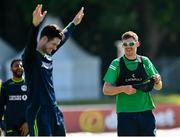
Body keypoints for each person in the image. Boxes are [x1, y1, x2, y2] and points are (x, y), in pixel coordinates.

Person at [22, 4, 84, 136]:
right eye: (53, 44)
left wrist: (74, 23)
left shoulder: (48, 54)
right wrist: (35, 26)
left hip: (54, 110)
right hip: (38, 111)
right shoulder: (31, 57)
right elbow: (30, 43)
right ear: (44, 39)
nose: (55, 48)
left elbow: (63, 38)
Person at [103, 31, 162, 136]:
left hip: (146, 112)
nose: (128, 47)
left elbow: (158, 86)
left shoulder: (145, 61)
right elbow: (106, 90)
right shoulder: (116, 64)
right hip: (125, 114)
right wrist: (123, 89)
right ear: (122, 46)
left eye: (131, 44)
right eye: (125, 44)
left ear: (138, 44)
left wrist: (157, 80)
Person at [0, 59, 28, 136]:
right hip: (10, 125)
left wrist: (28, 122)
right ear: (11, 69)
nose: (19, 67)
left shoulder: (29, 84)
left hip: (26, 125)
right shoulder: (6, 85)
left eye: (21, 66)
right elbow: (1, 106)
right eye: (16, 66)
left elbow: (34, 105)